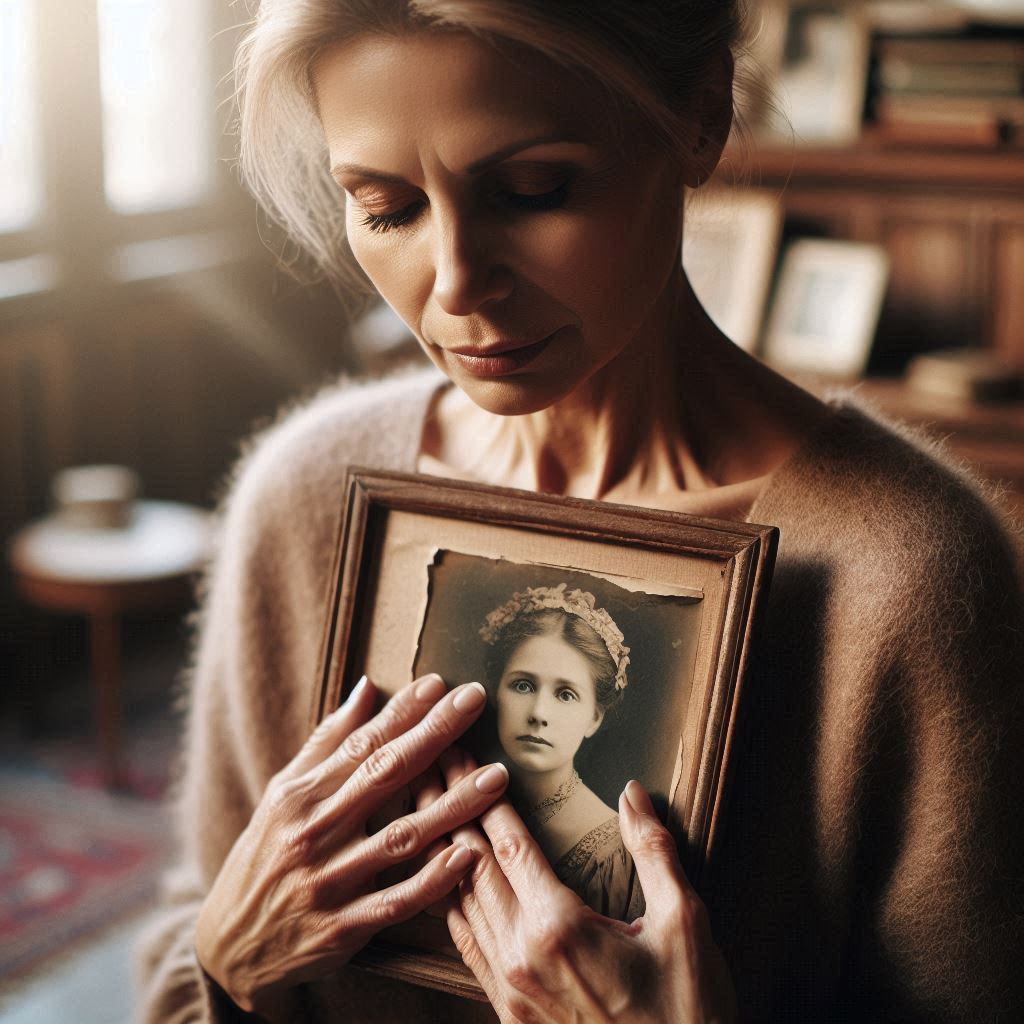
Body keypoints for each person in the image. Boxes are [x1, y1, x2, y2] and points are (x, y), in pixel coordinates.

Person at [136, 1, 1024, 1022]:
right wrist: (226, 966)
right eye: (386, 208)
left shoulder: (911, 576)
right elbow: (191, 940)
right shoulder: (304, 496)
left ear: (700, 117)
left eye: (532, 190)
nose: (458, 284)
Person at [477, 584, 644, 921]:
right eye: (523, 685)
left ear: (594, 718)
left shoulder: (612, 856)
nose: (539, 713)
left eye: (565, 694)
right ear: (497, 694)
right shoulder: (457, 794)